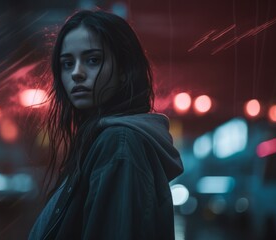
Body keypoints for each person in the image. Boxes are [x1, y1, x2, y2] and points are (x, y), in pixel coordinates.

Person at [29, 9, 183, 240]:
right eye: (67, 63)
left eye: (93, 60)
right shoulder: (104, 140)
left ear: (123, 71)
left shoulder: (119, 143)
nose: (77, 73)